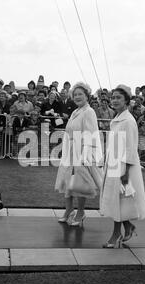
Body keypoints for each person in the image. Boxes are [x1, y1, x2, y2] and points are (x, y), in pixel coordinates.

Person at [100, 85, 145, 248]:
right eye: (113, 97)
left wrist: (126, 173)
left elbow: (130, 147)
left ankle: (116, 235)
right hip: (113, 164)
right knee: (117, 200)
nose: (114, 100)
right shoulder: (117, 118)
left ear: (127, 101)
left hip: (123, 166)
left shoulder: (128, 121)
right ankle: (128, 226)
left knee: (118, 201)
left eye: (118, 97)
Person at [55, 82, 103, 227]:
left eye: (80, 94)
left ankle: (81, 212)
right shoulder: (75, 112)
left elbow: (90, 134)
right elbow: (69, 132)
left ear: (87, 96)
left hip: (82, 152)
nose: (77, 97)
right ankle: (69, 209)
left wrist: (84, 155)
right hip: (70, 150)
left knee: (80, 183)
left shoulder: (89, 112)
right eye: (75, 94)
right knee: (66, 180)